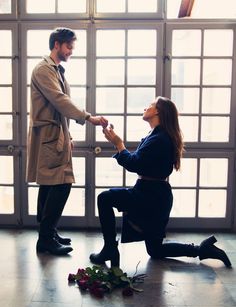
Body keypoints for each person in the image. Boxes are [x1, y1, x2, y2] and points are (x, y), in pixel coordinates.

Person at [90, 96, 232, 268]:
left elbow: (135, 164)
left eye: (150, 105)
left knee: (105, 198)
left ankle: (109, 249)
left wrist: (119, 144)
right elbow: (139, 160)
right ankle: (202, 249)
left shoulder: (160, 138)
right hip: (156, 195)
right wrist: (118, 144)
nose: (146, 107)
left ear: (158, 111)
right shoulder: (158, 136)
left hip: (149, 196)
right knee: (155, 250)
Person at [26, 28, 108, 255]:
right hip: (49, 136)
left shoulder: (55, 70)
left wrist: (68, 135)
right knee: (62, 184)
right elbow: (59, 100)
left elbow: (58, 106)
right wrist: (88, 117)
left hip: (56, 134)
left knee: (49, 183)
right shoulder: (44, 69)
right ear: (57, 45)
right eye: (69, 46)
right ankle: (45, 238)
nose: (71, 51)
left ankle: (48, 232)